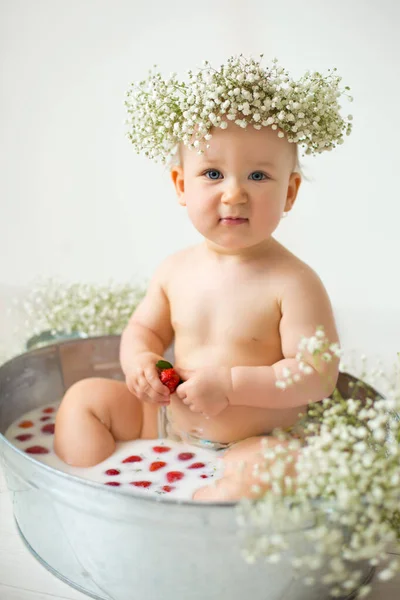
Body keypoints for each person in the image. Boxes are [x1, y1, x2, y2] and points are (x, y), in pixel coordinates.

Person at [54, 55, 352, 501]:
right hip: (162, 423)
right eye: (212, 173)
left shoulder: (294, 283)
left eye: (258, 175)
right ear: (180, 185)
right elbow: (143, 331)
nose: (234, 192)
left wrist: (231, 386)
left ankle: (198, 509)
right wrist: (141, 365)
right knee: (82, 399)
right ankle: (91, 486)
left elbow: (316, 375)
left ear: (289, 192)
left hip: (254, 440)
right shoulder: (174, 269)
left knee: (274, 470)